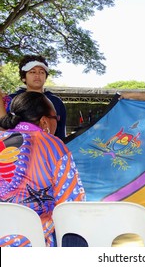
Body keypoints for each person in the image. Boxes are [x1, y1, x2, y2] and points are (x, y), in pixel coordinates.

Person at [0, 91, 85, 247]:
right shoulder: (54, 145)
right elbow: (72, 204)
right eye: (56, 119)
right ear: (45, 122)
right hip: (34, 244)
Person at [6, 55, 67, 140]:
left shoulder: (56, 101)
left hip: (48, 149)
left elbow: (61, 133)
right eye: (32, 72)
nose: (37, 75)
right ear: (24, 77)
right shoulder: (11, 99)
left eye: (42, 72)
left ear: (46, 77)